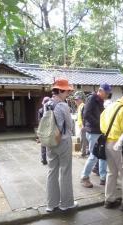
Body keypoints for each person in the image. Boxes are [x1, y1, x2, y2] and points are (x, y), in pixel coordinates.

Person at [100, 91, 123, 211]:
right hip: (118, 145)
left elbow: (101, 124)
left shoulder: (109, 106)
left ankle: (109, 199)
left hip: (107, 142)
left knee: (111, 172)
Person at [45, 78, 77, 212]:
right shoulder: (63, 105)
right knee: (65, 171)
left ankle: (51, 205)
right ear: (61, 90)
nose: (68, 93)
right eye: (67, 91)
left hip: (50, 141)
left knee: (52, 171)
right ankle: (66, 204)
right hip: (63, 141)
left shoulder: (47, 103)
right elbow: (69, 125)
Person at [80, 83, 112, 188]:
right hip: (93, 131)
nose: (107, 95)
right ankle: (84, 177)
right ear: (100, 90)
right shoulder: (92, 98)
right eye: (106, 93)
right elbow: (86, 114)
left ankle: (103, 178)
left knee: (102, 154)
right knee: (93, 156)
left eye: (108, 93)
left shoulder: (100, 100)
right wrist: (99, 124)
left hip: (100, 131)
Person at [74, 91, 89, 157]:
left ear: (81, 99)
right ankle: (85, 152)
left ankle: (83, 153)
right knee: (83, 139)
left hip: (83, 126)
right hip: (81, 126)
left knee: (84, 140)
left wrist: (83, 125)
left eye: (77, 100)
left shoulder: (83, 106)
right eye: (75, 100)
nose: (75, 101)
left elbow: (84, 116)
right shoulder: (80, 106)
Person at [37, 96, 50, 165]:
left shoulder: (40, 110)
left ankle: (43, 159)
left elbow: (39, 121)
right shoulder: (51, 109)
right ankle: (49, 158)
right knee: (50, 144)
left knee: (43, 144)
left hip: (43, 128)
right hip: (50, 128)